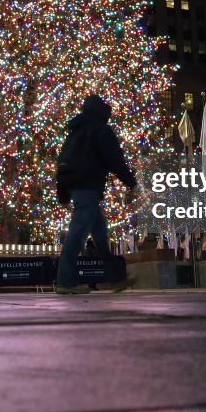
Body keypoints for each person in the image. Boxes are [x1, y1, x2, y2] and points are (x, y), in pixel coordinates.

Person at [55, 95, 138, 295]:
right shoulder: (100, 130)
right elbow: (114, 159)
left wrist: (64, 192)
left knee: (100, 237)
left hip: (79, 189)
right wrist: (130, 181)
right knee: (76, 236)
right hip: (88, 189)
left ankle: (117, 279)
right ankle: (65, 281)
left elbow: (63, 163)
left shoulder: (75, 132)